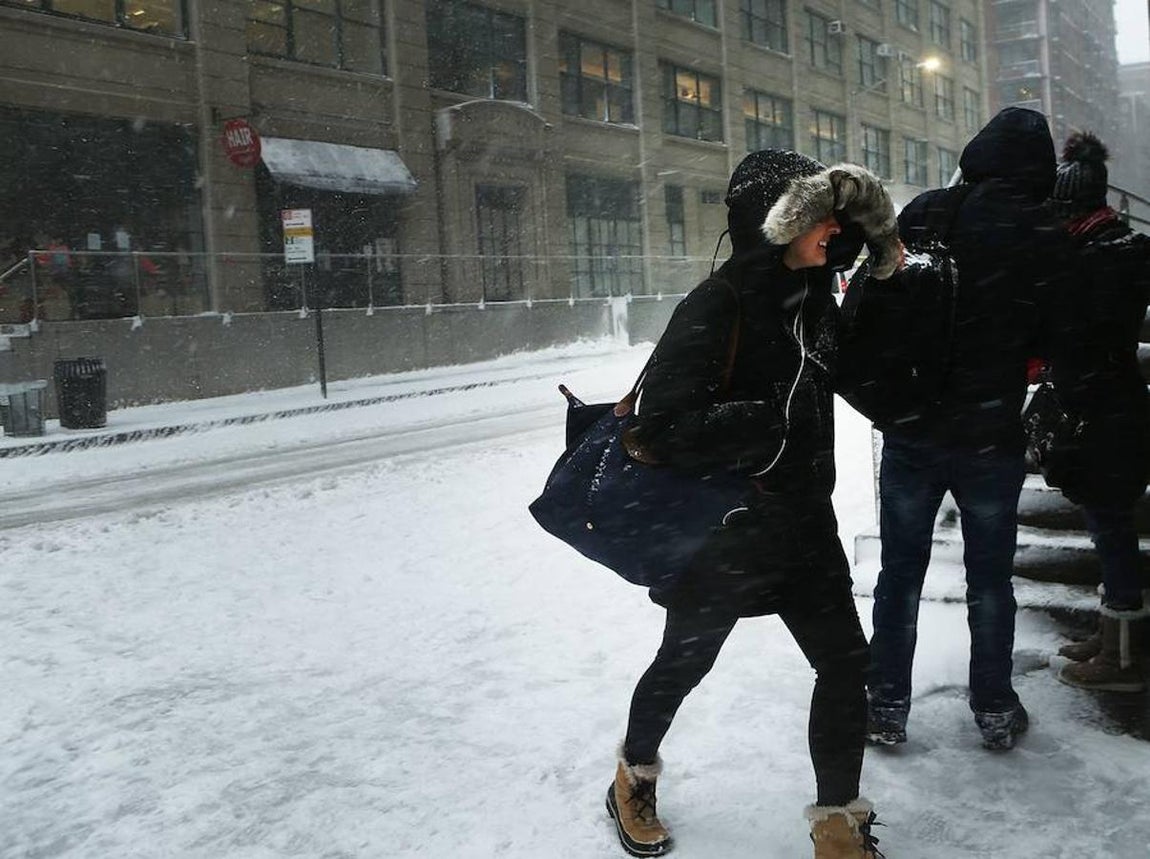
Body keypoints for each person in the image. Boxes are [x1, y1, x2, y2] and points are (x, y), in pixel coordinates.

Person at [606, 150, 901, 859]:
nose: (832, 228)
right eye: (818, 218)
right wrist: (756, 425)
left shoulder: (815, 297)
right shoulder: (719, 304)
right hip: (727, 533)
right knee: (685, 661)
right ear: (775, 224)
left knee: (844, 663)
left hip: (806, 526)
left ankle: (838, 823)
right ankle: (632, 775)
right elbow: (656, 430)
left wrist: (885, 265)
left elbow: (859, 377)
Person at [864, 107, 1077, 751]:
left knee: (900, 571)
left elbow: (875, 303)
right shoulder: (1045, 230)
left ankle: (885, 703)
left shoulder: (928, 211)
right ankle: (994, 704)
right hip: (990, 432)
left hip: (913, 427)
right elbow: (1058, 334)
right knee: (990, 577)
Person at [1043, 131, 1150, 692]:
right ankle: (1112, 635)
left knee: (1111, 529)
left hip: (1104, 408)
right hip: (1107, 402)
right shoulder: (1112, 247)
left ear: (1074, 208)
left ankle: (1122, 657)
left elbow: (1086, 333)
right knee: (1105, 527)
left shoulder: (1101, 257)